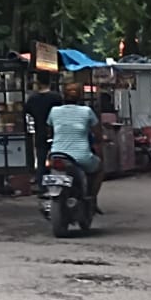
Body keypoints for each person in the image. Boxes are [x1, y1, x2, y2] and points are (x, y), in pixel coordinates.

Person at [48, 82, 105, 212]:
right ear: (80, 97)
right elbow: (97, 134)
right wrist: (100, 141)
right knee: (99, 169)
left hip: (57, 155)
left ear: (63, 96)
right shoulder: (87, 111)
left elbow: (51, 129)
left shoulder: (54, 111)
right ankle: (91, 198)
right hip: (81, 156)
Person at [24, 74, 62, 169]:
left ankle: (41, 179)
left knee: (41, 160)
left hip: (40, 131)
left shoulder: (32, 99)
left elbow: (27, 113)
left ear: (38, 83)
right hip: (56, 131)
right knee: (58, 158)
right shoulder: (56, 97)